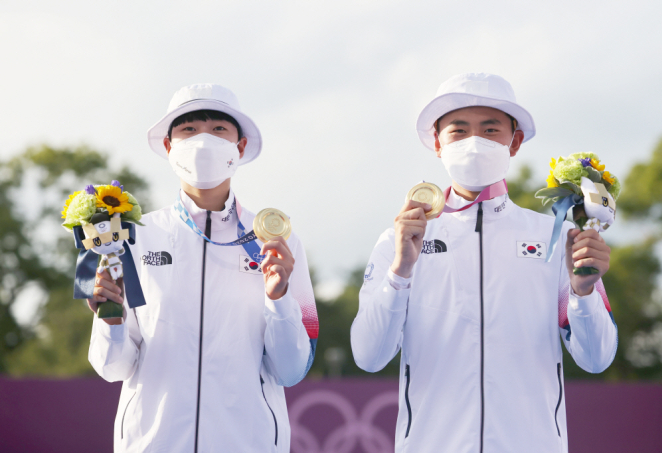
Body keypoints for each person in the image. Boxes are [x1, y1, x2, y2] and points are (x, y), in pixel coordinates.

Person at [351, 73, 617, 452]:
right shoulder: (399, 240)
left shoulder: (556, 238)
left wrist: (584, 292)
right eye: (458, 131)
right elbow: (368, 356)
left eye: (490, 129)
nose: (474, 143)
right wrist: (400, 272)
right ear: (437, 143)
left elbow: (596, 359)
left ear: (515, 141)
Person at [87, 84, 318, 452]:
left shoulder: (277, 241)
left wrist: (280, 301)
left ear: (239, 147)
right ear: (169, 146)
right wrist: (110, 321)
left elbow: (293, 369)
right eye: (189, 130)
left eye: (218, 129)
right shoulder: (133, 238)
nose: (203, 140)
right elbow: (112, 368)